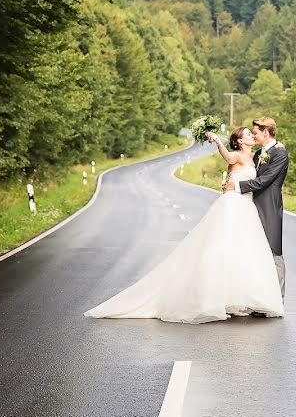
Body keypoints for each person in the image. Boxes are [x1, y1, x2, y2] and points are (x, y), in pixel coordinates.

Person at [84, 126, 284, 323]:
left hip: (248, 208)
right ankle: (218, 299)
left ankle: (239, 300)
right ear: (240, 141)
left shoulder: (257, 156)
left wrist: (278, 149)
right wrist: (216, 141)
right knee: (223, 250)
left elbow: (264, 175)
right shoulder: (237, 155)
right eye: (248, 134)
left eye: (252, 133)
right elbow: (229, 159)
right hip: (233, 206)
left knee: (245, 254)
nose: (252, 135)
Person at [223, 117, 289, 303]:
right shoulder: (259, 153)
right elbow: (241, 166)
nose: (253, 135)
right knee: (253, 252)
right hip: (249, 206)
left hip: (269, 206)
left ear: (265, 132)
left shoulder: (280, 154)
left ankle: (277, 299)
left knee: (273, 251)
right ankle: (257, 298)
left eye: (256, 132)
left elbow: (264, 181)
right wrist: (230, 180)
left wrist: (236, 185)